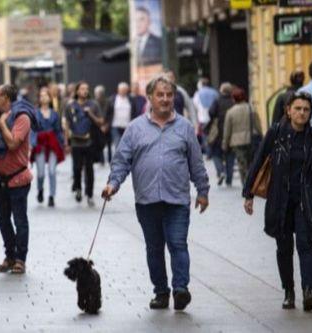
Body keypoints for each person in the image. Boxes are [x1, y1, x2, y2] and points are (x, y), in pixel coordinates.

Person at [102, 75, 209, 311]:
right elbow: (121, 161)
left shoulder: (185, 128)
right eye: (160, 95)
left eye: (169, 95)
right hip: (147, 200)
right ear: (150, 97)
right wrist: (113, 184)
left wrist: (203, 190)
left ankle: (181, 289)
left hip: (177, 199)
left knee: (178, 244)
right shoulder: (134, 128)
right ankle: (161, 292)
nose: (165, 99)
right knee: (154, 248)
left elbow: (196, 163)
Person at [243, 92, 312, 312]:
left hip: (305, 200)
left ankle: (308, 291)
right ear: (289, 110)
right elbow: (258, 160)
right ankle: (289, 291)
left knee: (306, 244)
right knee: (283, 247)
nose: (302, 113)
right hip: (280, 199)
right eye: (298, 108)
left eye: (306, 109)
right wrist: (248, 193)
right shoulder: (276, 133)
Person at [0, 84, 38, 275]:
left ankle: (20, 259)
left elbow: (13, 143)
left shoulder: (21, 117)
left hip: (18, 180)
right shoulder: (2, 118)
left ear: (6, 97)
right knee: (2, 220)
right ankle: (10, 256)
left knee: (19, 220)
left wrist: (4, 124)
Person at [63, 81, 105, 207]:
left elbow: (101, 122)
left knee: (89, 169)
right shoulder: (70, 105)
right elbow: (67, 125)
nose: (85, 91)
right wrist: (67, 142)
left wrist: (90, 114)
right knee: (76, 168)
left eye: (87, 89)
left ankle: (90, 194)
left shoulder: (94, 104)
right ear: (77, 91)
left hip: (90, 141)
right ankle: (78, 189)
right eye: (82, 89)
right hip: (76, 142)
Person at [31, 87, 66, 207]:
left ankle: (52, 196)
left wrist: (63, 143)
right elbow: (33, 130)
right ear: (39, 99)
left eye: (46, 95)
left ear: (50, 98)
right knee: (40, 173)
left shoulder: (55, 114)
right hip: (40, 144)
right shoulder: (35, 113)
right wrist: (32, 142)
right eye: (41, 95)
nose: (43, 97)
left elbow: (58, 130)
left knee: (52, 171)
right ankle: (40, 190)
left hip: (52, 143)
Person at [222, 88, 262, 186]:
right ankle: (251, 182)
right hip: (250, 139)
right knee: (251, 163)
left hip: (236, 141)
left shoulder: (230, 112)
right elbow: (258, 125)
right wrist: (262, 136)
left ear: (234, 99)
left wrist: (225, 144)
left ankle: (245, 183)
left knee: (241, 164)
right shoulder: (251, 108)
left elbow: (227, 130)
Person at [207, 82, 235, 186]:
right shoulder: (233, 101)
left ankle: (221, 171)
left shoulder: (217, 101)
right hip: (231, 132)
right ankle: (229, 179)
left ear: (222, 90)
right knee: (230, 155)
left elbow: (211, 113)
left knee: (216, 153)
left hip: (218, 132)